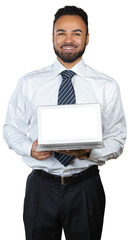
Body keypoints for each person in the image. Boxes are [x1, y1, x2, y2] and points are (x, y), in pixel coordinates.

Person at [3, 5, 126, 240]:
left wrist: (89, 151)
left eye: (77, 33)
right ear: (52, 37)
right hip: (41, 187)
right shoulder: (30, 83)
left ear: (87, 38)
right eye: (61, 33)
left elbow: (117, 139)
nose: (68, 39)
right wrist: (30, 148)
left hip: (86, 187)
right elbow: (11, 128)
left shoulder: (106, 86)